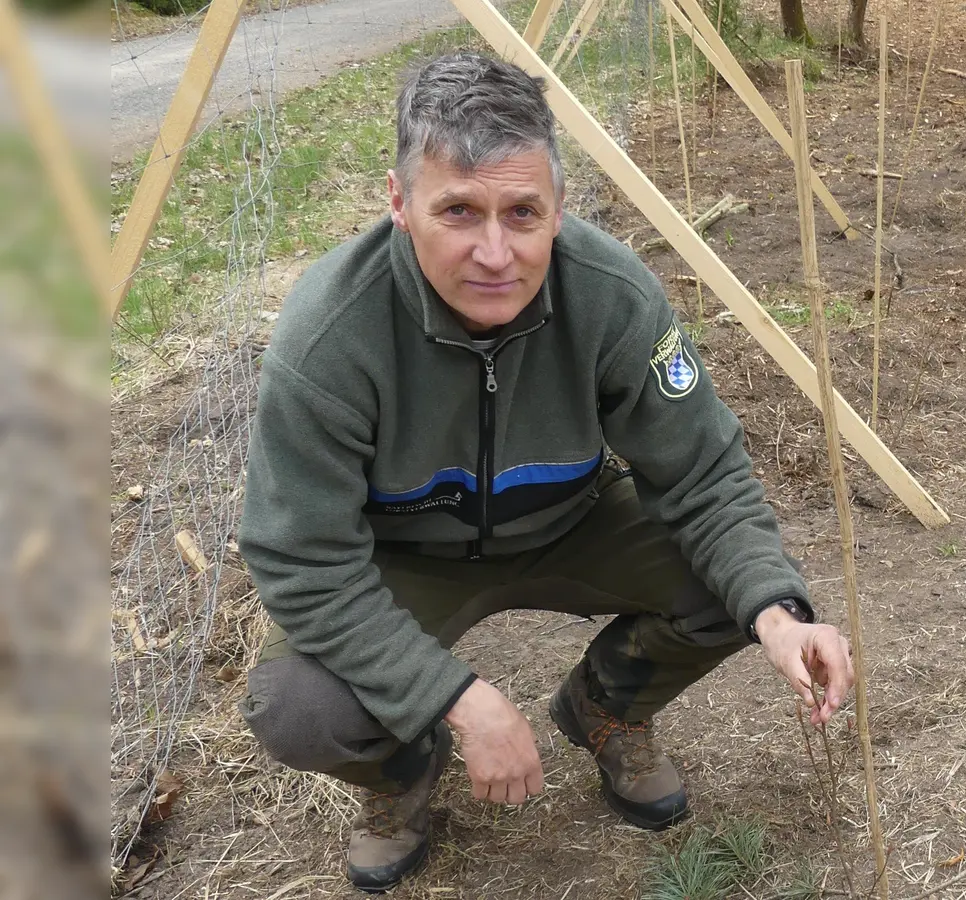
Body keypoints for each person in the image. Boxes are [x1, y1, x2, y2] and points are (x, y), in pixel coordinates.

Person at [235, 52, 855, 894]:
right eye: (459, 210)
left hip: (570, 521)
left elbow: (705, 474)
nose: (496, 253)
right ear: (399, 204)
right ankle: (401, 770)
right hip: (402, 558)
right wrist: (454, 699)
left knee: (739, 585)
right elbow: (302, 560)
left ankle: (606, 706)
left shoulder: (611, 295)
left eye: (523, 212)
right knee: (300, 708)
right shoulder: (328, 335)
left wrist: (779, 618)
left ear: (558, 209)